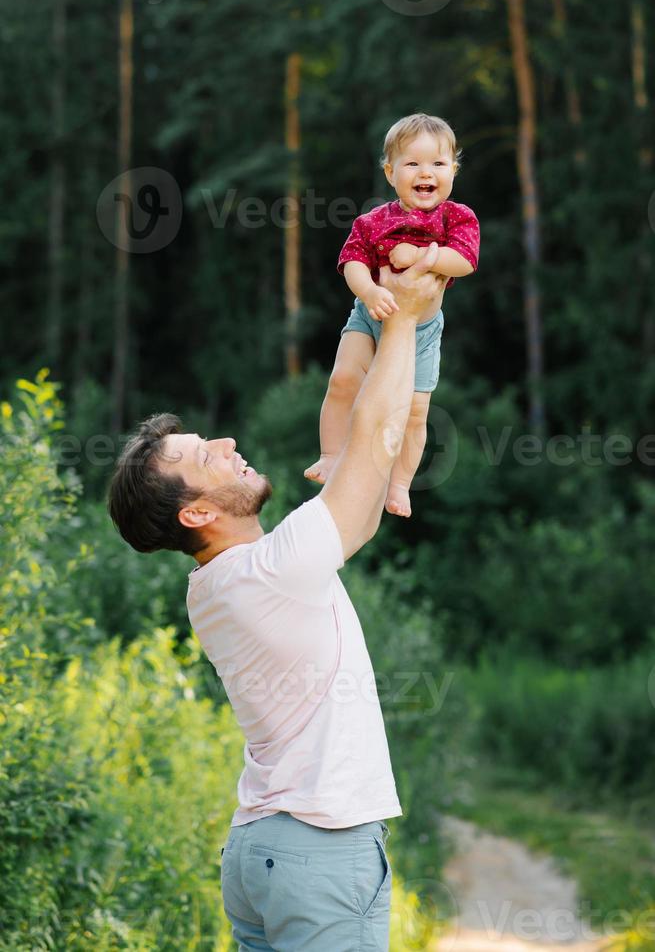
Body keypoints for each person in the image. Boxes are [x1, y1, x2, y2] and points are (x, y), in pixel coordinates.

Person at [107, 247, 445, 952]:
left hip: (261, 854)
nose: (229, 443)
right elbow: (373, 447)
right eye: (207, 457)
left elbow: (360, 493)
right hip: (317, 850)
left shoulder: (219, 586)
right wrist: (406, 321)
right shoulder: (271, 571)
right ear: (196, 515)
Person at [305, 112, 480, 518]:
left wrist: (422, 255)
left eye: (438, 163)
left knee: (416, 412)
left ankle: (400, 483)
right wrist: (368, 291)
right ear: (390, 172)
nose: (426, 173)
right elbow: (350, 262)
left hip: (422, 331)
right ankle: (331, 454)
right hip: (370, 316)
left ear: (453, 170)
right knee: (343, 380)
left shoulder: (457, 217)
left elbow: (465, 261)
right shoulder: (372, 221)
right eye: (413, 163)